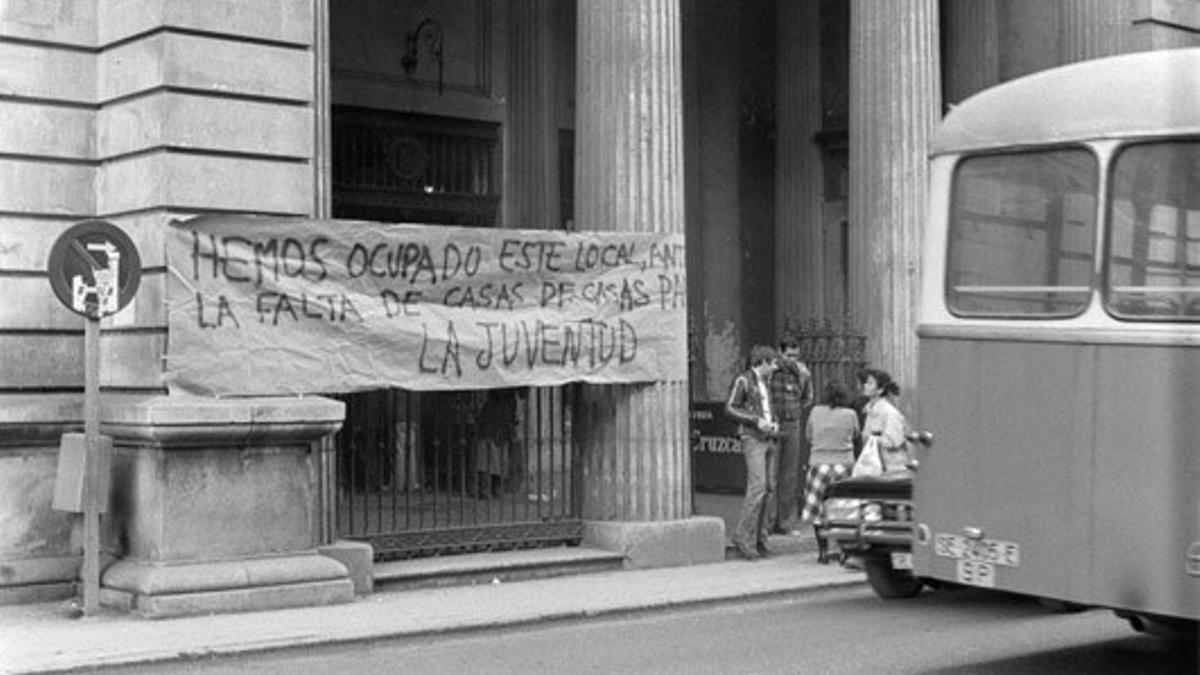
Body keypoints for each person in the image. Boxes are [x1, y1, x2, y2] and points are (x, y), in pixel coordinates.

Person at [724, 344, 781, 560]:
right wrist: (755, 420)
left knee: (768, 488)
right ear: (763, 362)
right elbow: (730, 407)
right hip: (752, 436)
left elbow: (768, 408)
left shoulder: (765, 382)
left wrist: (772, 422)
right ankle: (743, 537)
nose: (775, 367)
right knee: (757, 487)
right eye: (773, 363)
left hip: (768, 436)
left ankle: (760, 538)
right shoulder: (744, 380)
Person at [801, 381, 860, 563]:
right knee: (845, 509)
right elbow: (856, 435)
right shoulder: (850, 414)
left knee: (818, 510)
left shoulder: (815, 412)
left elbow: (808, 436)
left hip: (819, 465)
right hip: (844, 466)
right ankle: (844, 552)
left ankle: (823, 553)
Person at [768, 335, 814, 535]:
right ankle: (767, 524)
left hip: (792, 423)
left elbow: (807, 398)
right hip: (772, 424)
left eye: (795, 355)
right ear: (780, 352)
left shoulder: (803, 373)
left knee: (789, 476)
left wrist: (794, 412)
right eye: (788, 355)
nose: (792, 359)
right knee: (770, 476)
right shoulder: (770, 372)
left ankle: (785, 522)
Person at [856, 367, 910, 473]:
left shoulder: (889, 413)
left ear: (880, 390)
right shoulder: (869, 411)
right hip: (875, 468)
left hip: (892, 469)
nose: (865, 385)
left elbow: (894, 440)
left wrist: (875, 440)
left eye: (870, 383)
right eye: (866, 382)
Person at [472, 388, 518, 499]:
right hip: (489, 432)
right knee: (486, 462)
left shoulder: (509, 401)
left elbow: (511, 417)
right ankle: (485, 489)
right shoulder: (490, 403)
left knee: (498, 462)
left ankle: (494, 489)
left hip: (500, 433)